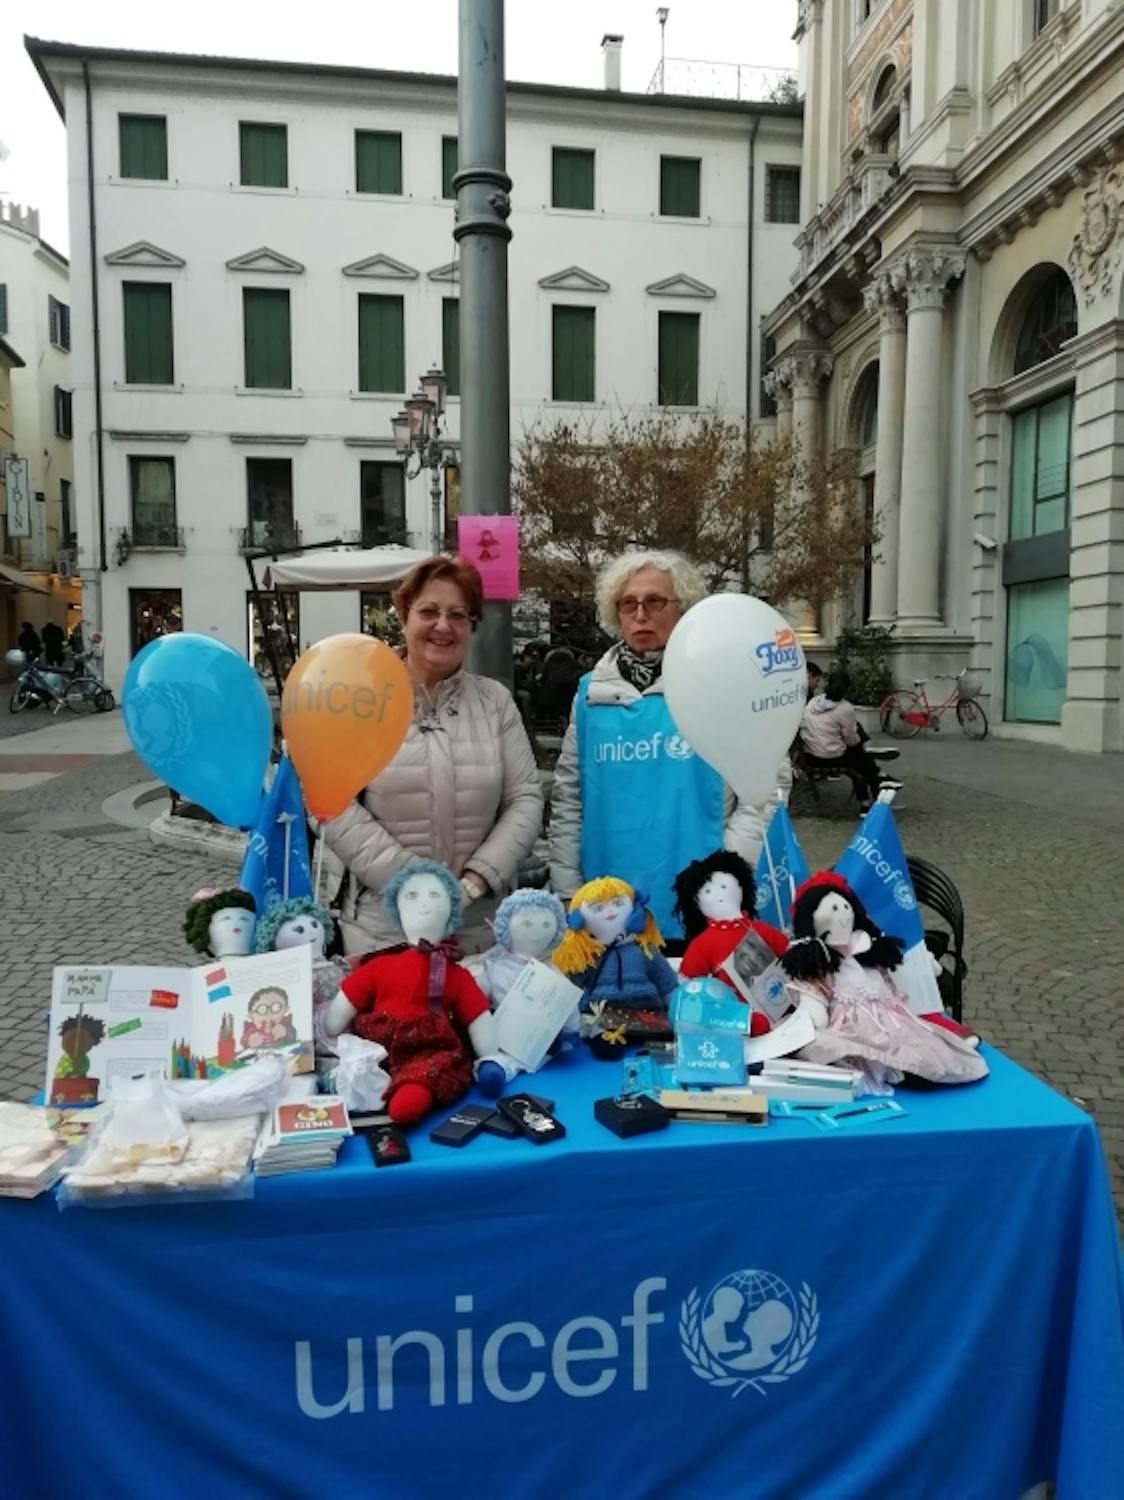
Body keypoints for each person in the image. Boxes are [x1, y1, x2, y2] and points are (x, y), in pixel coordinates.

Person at [549, 549, 791, 944]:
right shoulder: (590, 693)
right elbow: (568, 797)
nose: (640, 614)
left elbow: (766, 784)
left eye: (655, 601)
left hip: (702, 903)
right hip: (608, 907)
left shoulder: (721, 685)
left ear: (684, 609)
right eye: (628, 604)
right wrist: (566, 887)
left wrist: (729, 869)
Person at [322, 556, 543, 956]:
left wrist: (474, 882)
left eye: (458, 615)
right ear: (405, 615)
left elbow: (524, 798)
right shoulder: (358, 698)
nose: (443, 625)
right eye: (429, 611)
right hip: (382, 929)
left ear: (471, 627)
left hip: (480, 926)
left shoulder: (495, 702)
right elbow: (330, 802)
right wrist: (413, 884)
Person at [799, 669, 901, 812]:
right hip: (831, 757)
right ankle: (878, 780)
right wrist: (857, 740)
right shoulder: (845, 708)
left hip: (810, 756)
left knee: (860, 755)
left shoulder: (813, 703)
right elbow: (851, 740)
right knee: (859, 752)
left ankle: (874, 788)